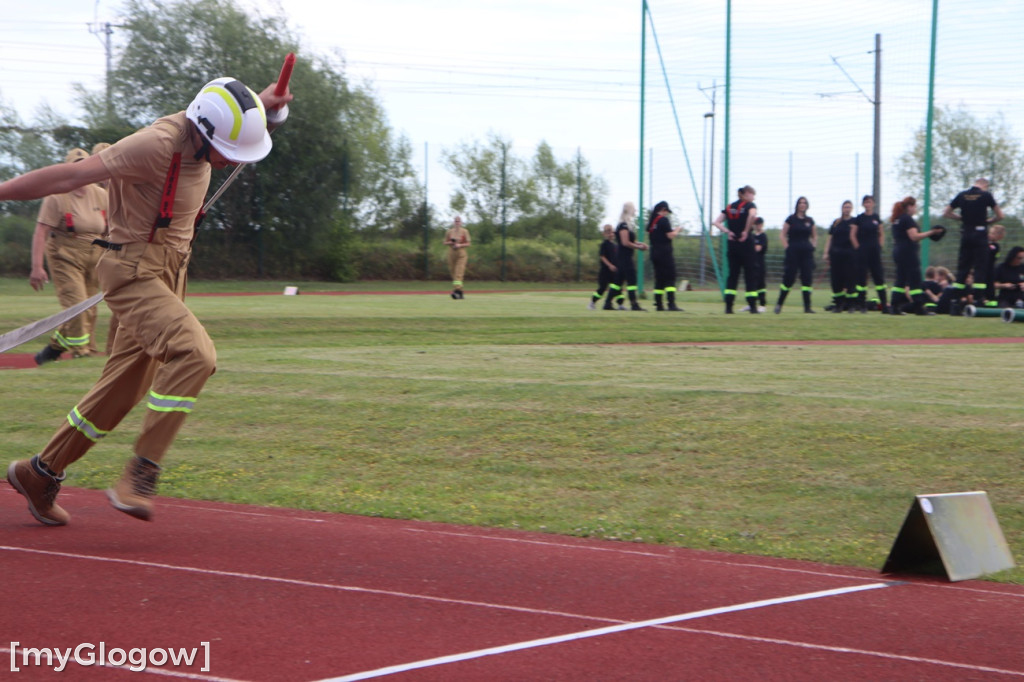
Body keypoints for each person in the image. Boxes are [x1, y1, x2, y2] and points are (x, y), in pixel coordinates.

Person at [4, 75, 293, 526]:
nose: (227, 162)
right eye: (226, 151)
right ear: (201, 131)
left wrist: (266, 108)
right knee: (196, 354)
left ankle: (40, 473)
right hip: (133, 272)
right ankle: (141, 473)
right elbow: (70, 175)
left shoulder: (211, 131)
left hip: (170, 271)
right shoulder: (153, 145)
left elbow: (236, 126)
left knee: (123, 390)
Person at [29, 147, 110, 364]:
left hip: (95, 255)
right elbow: (41, 232)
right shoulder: (57, 197)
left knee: (89, 310)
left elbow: (112, 228)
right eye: (75, 166)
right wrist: (37, 267)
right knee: (76, 307)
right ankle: (81, 353)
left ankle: (52, 350)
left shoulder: (101, 195)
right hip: (66, 255)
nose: (81, 171)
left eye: (85, 165)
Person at [943, 178, 1004, 312]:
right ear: (984, 185)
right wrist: (988, 221)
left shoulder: (962, 195)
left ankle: (956, 301)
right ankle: (978, 300)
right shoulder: (986, 195)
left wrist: (960, 218)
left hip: (966, 233)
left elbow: (946, 212)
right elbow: (1000, 215)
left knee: (963, 268)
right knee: (980, 268)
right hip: (980, 234)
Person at [889, 196, 942, 315]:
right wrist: (932, 232)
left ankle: (894, 306)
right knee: (915, 280)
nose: (916, 209)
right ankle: (919, 307)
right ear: (910, 207)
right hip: (908, 253)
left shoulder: (897, 219)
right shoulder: (907, 219)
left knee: (900, 280)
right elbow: (914, 236)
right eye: (915, 206)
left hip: (898, 251)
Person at [713, 185, 760, 314]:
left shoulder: (729, 207)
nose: (753, 197)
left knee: (733, 275)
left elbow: (716, 222)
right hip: (746, 243)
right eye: (752, 194)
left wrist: (728, 231)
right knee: (749, 274)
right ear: (747, 193)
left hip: (732, 243)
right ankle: (753, 306)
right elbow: (752, 216)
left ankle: (729, 307)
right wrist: (745, 231)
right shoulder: (750, 206)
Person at [773, 196, 817, 313]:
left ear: (807, 206)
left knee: (807, 279)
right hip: (793, 252)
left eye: (804, 203)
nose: (802, 205)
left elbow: (814, 236)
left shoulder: (809, 220)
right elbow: (782, 235)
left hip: (806, 253)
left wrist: (813, 246)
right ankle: (779, 305)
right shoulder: (791, 219)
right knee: (789, 278)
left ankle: (807, 307)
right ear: (797, 205)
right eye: (800, 203)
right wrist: (787, 247)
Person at [603, 201, 647, 311]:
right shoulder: (623, 225)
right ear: (629, 210)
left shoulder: (626, 225)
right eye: (634, 209)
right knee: (631, 279)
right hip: (624, 257)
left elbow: (630, 241)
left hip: (623, 257)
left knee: (618, 282)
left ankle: (607, 303)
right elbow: (625, 242)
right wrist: (639, 247)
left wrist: (640, 244)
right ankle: (634, 304)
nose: (635, 211)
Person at [823, 200, 860, 312]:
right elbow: (830, 238)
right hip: (836, 255)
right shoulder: (836, 222)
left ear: (851, 209)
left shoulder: (855, 222)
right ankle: (839, 305)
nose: (847, 209)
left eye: (849, 207)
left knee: (850, 280)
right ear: (842, 209)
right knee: (836, 280)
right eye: (845, 207)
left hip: (849, 255)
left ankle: (851, 305)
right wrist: (826, 252)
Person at [646, 200, 683, 311]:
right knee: (670, 278)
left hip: (654, 253)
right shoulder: (663, 220)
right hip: (665, 253)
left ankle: (659, 304)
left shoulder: (652, 222)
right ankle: (671, 304)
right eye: (666, 211)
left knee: (659, 279)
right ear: (662, 209)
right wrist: (677, 230)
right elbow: (670, 235)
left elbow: (658, 234)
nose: (666, 213)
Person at [854, 195, 886, 312]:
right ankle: (861, 305)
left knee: (878, 277)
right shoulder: (859, 218)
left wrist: (879, 246)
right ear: (863, 204)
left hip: (874, 252)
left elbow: (881, 234)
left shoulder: (876, 218)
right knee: (861, 279)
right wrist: (858, 248)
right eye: (866, 202)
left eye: (870, 202)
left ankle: (884, 305)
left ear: (873, 204)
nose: (868, 204)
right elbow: (853, 235)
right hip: (862, 252)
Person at [589, 224, 617, 309]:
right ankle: (592, 302)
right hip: (605, 271)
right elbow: (602, 256)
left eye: (611, 231)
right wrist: (609, 265)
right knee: (602, 288)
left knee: (616, 288)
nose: (610, 234)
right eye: (607, 232)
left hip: (613, 271)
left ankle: (619, 304)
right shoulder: (604, 244)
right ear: (604, 234)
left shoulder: (615, 245)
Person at [445, 216, 471, 299]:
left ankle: (456, 291)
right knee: (453, 272)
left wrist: (460, 244)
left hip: (461, 253)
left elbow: (468, 243)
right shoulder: (449, 232)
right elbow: (444, 242)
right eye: (456, 221)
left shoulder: (465, 231)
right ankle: (460, 292)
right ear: (454, 222)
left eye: (458, 221)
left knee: (458, 273)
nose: (457, 223)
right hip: (451, 252)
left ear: (461, 222)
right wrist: (451, 242)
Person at [983, 223, 1006, 308]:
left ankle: (991, 303)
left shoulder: (995, 246)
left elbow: (990, 252)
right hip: (984, 270)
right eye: (990, 233)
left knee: (989, 287)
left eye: (993, 233)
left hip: (989, 270)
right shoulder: (987, 244)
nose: (990, 235)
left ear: (999, 236)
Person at [749, 217, 768, 312]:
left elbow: (758, 249)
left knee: (761, 283)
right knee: (752, 283)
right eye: (756, 223)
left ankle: (762, 304)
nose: (758, 225)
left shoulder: (763, 236)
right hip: (751, 262)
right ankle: (752, 304)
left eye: (760, 223)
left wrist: (750, 247)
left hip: (760, 263)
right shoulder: (752, 235)